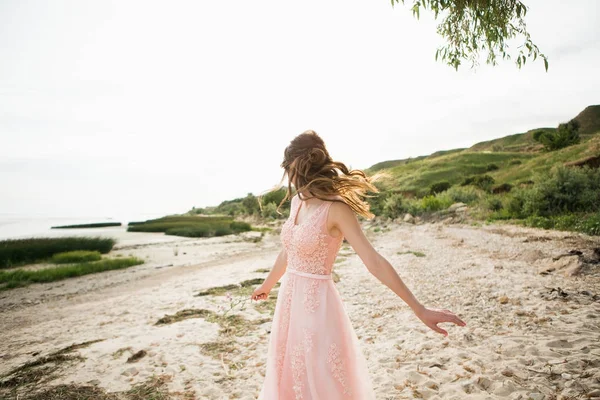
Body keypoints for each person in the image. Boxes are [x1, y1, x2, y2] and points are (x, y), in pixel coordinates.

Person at [251, 130, 466, 399]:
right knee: (290, 378)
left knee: (321, 380)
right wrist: (267, 284)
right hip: (288, 305)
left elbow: (373, 261)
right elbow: (289, 251)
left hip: (317, 307)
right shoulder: (297, 202)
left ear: (298, 166)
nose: (288, 176)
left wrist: (419, 308)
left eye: (287, 167)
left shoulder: (336, 209)